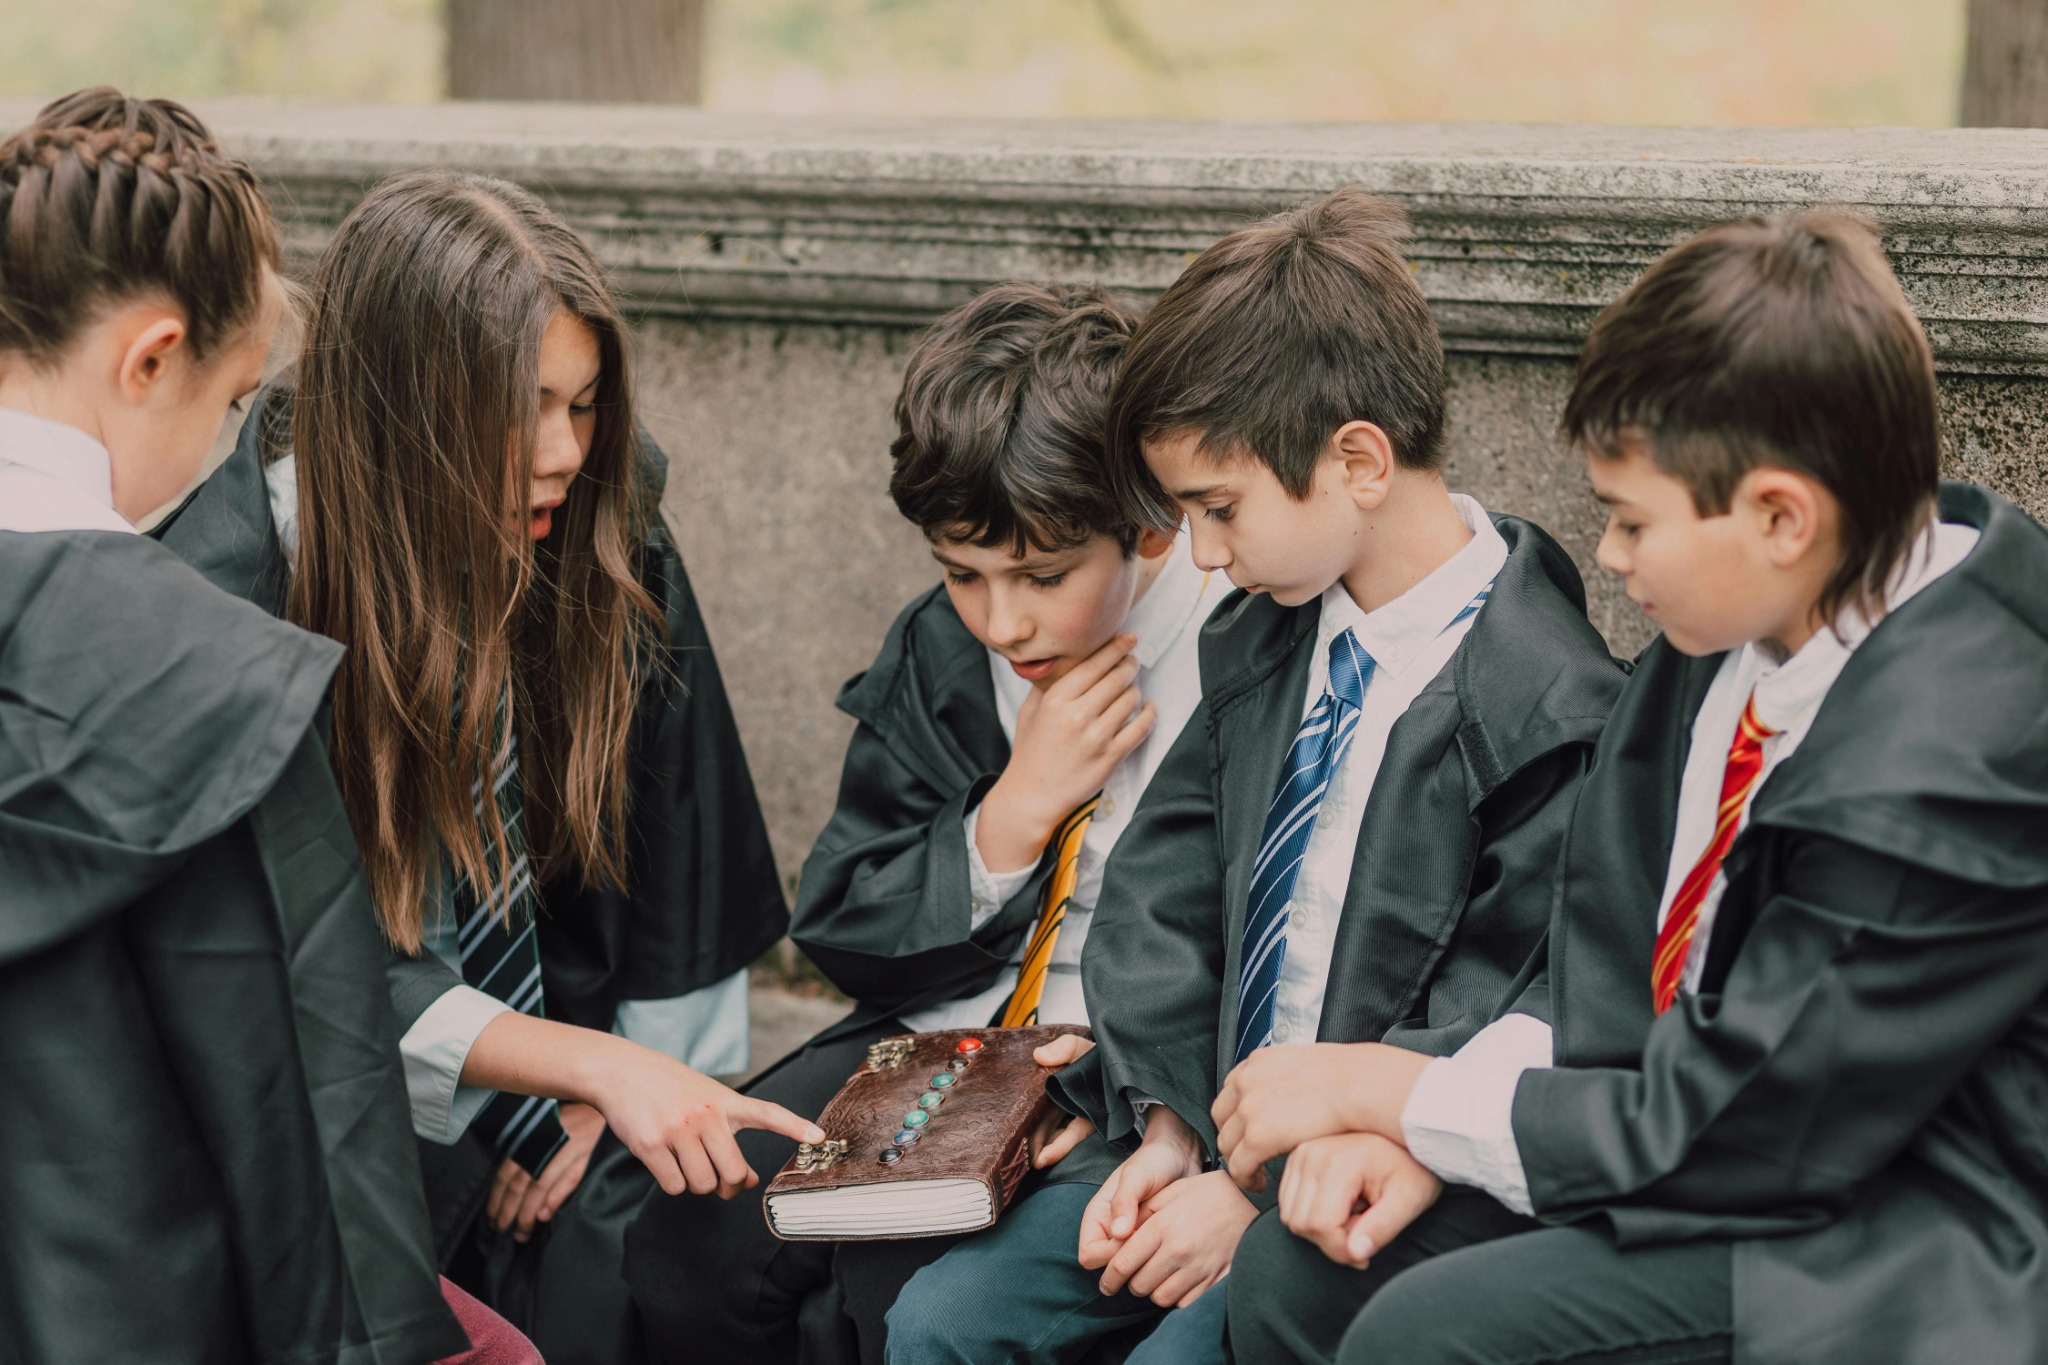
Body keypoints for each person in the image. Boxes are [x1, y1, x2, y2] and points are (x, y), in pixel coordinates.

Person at [1213, 212, 2048, 1365]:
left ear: (1776, 515)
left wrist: (1391, 1094)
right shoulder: (1729, 621)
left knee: (1431, 1335)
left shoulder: (1949, 768)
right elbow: (1605, 963)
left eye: (1630, 520)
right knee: (1303, 1271)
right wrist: (1437, 1130)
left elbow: (1755, 1130)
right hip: (1697, 1120)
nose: (1603, 557)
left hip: (1894, 1212)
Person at [885, 189, 1625, 1365]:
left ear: (1358, 462)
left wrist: (1251, 1192)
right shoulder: (1263, 640)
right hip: (1200, 1140)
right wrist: (1170, 1130)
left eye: (1216, 508)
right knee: (940, 1323)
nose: (1206, 554)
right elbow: (1161, 895)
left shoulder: (1547, 710)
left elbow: (1502, 1006)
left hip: (1354, 1188)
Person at [154, 168, 818, 1365]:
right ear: (400, 412)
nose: (563, 451)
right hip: (357, 1102)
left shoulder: (600, 515)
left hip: (578, 1021)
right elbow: (304, 964)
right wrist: (569, 1076)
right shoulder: (237, 598)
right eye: (525, 410)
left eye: (585, 403)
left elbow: (681, 842)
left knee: (691, 1243)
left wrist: (626, 1095)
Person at [0, 89, 538, 1365]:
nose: (225, 448)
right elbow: (311, 1118)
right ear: (151, 357)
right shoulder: (211, 684)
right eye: (237, 399)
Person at [625, 281, 1233, 1365]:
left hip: (1130, 1048)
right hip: (948, 1027)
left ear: (1148, 523)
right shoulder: (947, 648)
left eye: (1043, 576)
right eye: (962, 574)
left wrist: (1120, 1084)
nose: (1003, 621)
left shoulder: (1239, 638)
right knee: (699, 1226)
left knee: (900, 1265)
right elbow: (844, 916)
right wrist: (1008, 819)